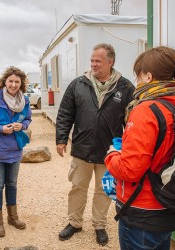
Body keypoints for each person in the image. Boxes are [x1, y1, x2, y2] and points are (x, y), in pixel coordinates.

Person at [104, 46, 175, 250]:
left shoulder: (146, 110)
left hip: (142, 209)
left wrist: (112, 154)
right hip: (168, 205)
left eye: (138, 75)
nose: (137, 81)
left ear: (148, 76)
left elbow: (130, 170)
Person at [56, 43, 135, 246]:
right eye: (92, 60)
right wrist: (61, 138)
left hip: (109, 151)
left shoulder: (125, 87)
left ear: (111, 62)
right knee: (78, 187)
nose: (93, 64)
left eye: (98, 61)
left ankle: (99, 225)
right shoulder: (78, 84)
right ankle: (74, 222)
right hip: (82, 147)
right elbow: (66, 113)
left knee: (104, 189)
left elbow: (132, 120)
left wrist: (129, 147)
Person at [0, 66, 32, 238]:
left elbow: (28, 119)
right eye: (10, 81)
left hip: (15, 150)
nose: (13, 84)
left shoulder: (24, 100)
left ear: (21, 83)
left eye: (17, 81)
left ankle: (13, 217)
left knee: (12, 184)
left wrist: (22, 125)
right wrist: (0, 128)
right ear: (4, 82)